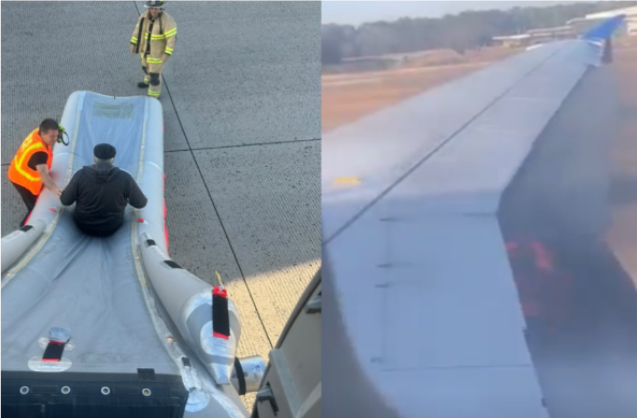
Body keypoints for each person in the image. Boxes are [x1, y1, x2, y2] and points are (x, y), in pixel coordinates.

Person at [60, 143, 148, 237]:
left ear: (95, 158)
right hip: (112, 227)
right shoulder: (125, 178)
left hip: (83, 225)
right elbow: (141, 203)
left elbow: (65, 201)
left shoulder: (80, 174)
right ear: (113, 159)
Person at [7, 119, 63, 227]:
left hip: (18, 169)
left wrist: (58, 133)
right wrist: (54, 189)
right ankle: (24, 228)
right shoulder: (39, 153)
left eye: (56, 135)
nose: (55, 139)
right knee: (35, 209)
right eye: (52, 136)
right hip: (21, 179)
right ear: (43, 134)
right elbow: (43, 174)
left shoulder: (38, 131)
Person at [129, 0, 177, 99]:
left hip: (157, 55)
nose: (153, 11)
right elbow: (137, 30)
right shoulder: (144, 17)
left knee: (155, 75)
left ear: (160, 9)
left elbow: (171, 40)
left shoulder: (167, 21)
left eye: (156, 8)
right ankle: (147, 81)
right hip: (145, 52)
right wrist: (133, 43)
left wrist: (167, 54)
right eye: (151, 8)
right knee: (145, 67)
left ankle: (154, 94)